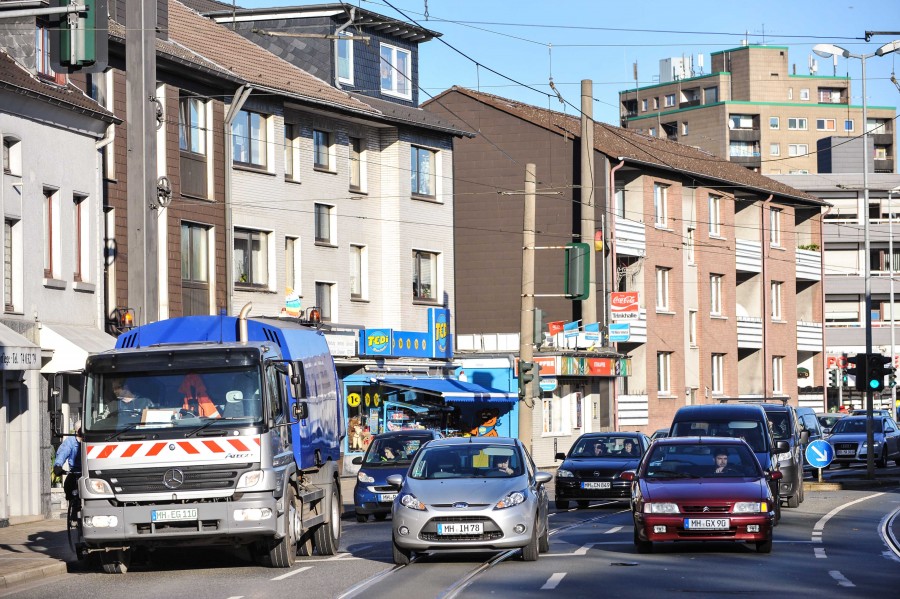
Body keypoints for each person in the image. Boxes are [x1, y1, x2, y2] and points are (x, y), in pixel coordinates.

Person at [53, 422, 82, 502]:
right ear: (76, 432)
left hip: (90, 474)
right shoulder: (70, 441)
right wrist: (58, 466)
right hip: (75, 472)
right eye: (81, 431)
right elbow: (63, 453)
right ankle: (73, 508)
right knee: (69, 486)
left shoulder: (91, 440)